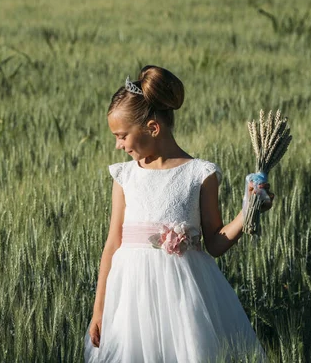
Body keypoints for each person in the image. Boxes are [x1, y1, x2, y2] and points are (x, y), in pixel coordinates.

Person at [83, 66, 274, 363]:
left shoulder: (200, 174)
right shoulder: (125, 176)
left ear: (152, 128)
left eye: (122, 136)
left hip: (184, 301)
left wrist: (247, 209)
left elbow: (215, 242)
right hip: (131, 302)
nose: (118, 145)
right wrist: (99, 310)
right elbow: (112, 246)